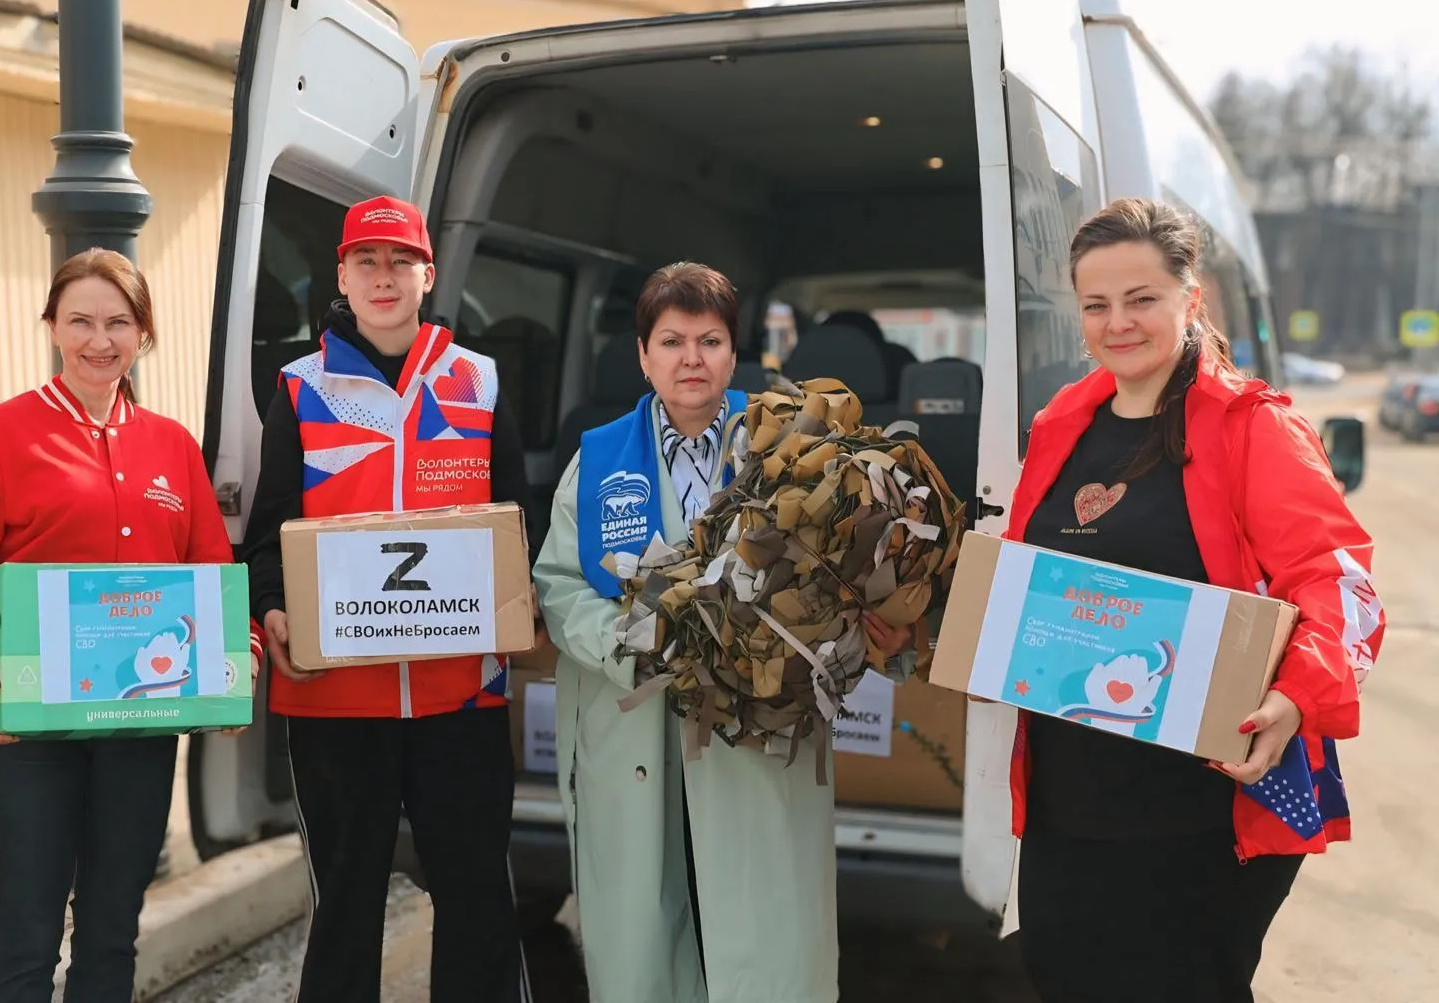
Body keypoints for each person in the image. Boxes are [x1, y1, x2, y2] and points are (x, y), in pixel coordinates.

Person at [1004, 198, 1385, 1002]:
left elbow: (1339, 580)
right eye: (1096, 305)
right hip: (1069, 798)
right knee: (1060, 976)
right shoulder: (1060, 424)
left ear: (1190, 298)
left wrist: (1297, 695)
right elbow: (1027, 584)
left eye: (1141, 298)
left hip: (1203, 806)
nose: (1118, 323)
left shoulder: (1253, 428)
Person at [532, 262, 911, 1003]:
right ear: (643, 355)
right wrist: (637, 642)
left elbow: (853, 570)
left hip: (757, 733)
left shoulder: (792, 447)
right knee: (641, 939)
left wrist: (874, 634)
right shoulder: (598, 459)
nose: (691, 359)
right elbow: (558, 584)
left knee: (762, 944)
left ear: (735, 355)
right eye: (671, 342)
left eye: (709, 341)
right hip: (633, 726)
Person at [0, 248, 261, 1001]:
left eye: (118, 323)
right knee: (29, 932)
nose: (99, 340)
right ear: (51, 326)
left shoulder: (173, 446)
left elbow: (212, 577)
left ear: (143, 333)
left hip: (140, 730)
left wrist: (239, 658)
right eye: (80, 321)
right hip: (26, 731)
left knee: (112, 931)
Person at [241, 195, 531, 1003]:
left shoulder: (477, 380)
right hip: (335, 701)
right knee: (345, 908)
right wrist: (273, 608)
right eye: (365, 261)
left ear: (427, 276)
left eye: (401, 260)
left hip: (462, 694)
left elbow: (519, 521)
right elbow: (267, 537)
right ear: (340, 276)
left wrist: (521, 603)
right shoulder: (301, 388)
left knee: (477, 902)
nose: (383, 276)